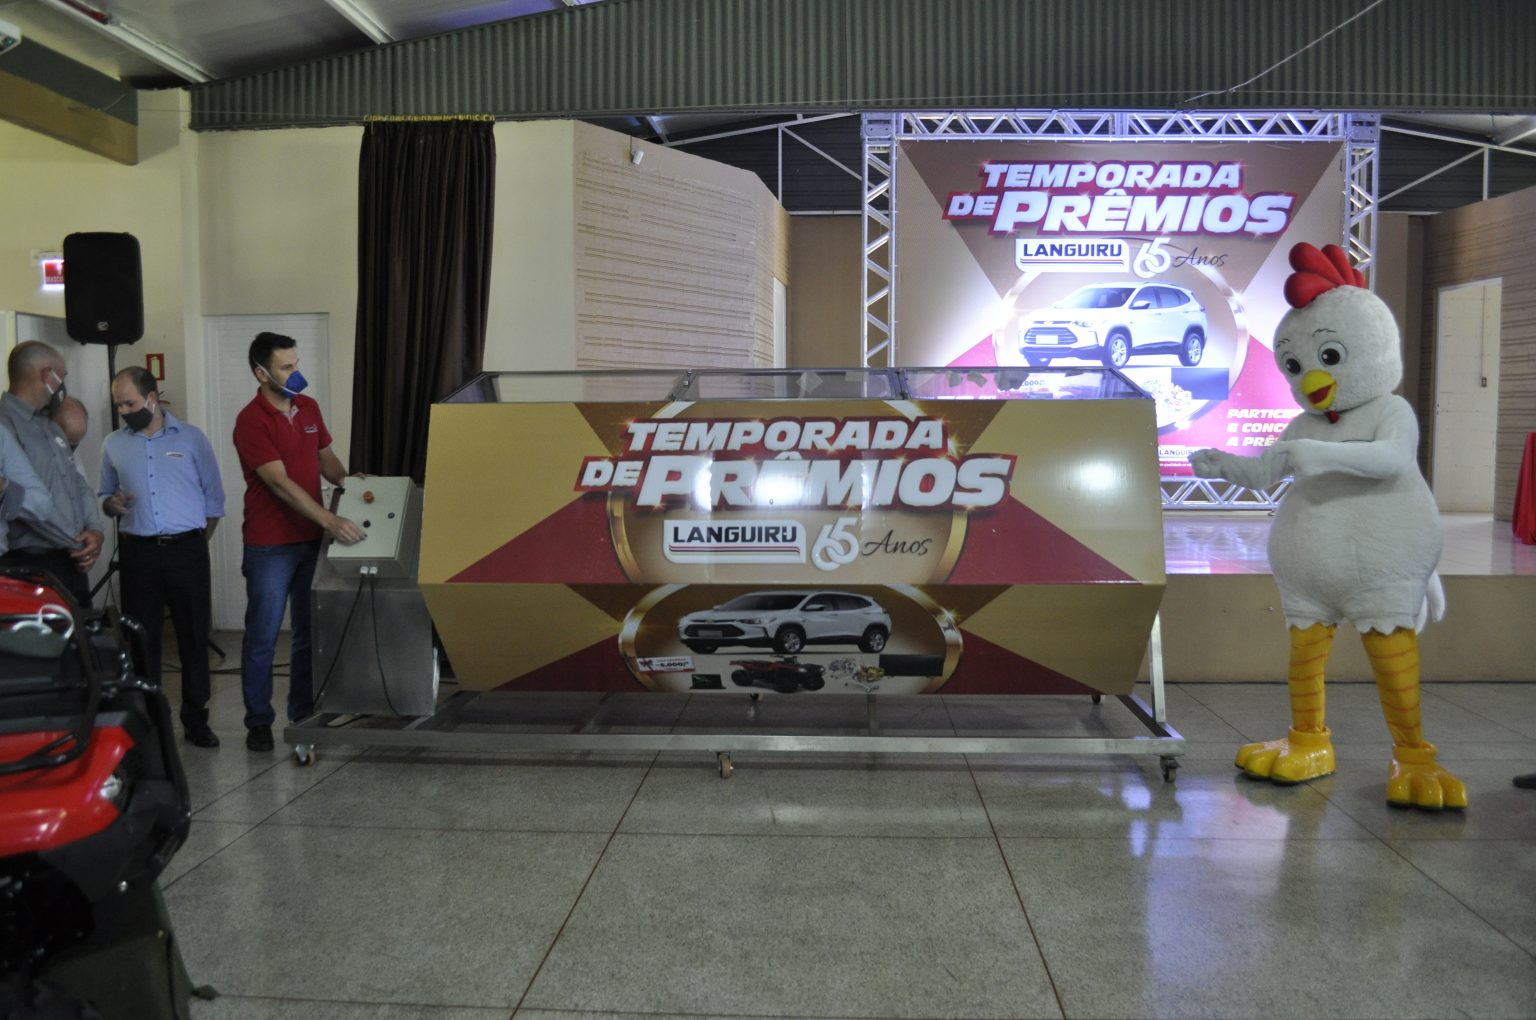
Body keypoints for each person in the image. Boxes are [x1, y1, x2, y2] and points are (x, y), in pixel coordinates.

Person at [232, 332, 363, 752]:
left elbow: (326, 459)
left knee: (309, 632)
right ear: (261, 373)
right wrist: (330, 520)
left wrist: (349, 482)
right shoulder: (250, 421)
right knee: (264, 635)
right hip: (270, 546)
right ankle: (259, 721)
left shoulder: (308, 407)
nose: (295, 373)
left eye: (296, 364)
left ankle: (303, 713)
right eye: (286, 367)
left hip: (309, 542)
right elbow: (280, 483)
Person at [100, 367, 225, 749]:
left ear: (152, 399)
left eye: (130, 403)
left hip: (187, 550)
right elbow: (104, 495)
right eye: (119, 405)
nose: (124, 411)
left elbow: (214, 500)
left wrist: (194, 541)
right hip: (138, 553)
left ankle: (196, 718)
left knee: (193, 636)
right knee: (142, 639)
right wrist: (111, 504)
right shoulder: (113, 444)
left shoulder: (191, 438)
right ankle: (151, 722)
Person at [0, 342, 104, 606]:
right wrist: (76, 542)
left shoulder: (50, 425)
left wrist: (95, 529)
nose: (62, 386)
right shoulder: (5, 425)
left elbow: (77, 483)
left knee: (82, 631)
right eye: (62, 377)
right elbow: (24, 502)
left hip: (70, 561)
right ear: (47, 375)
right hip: (32, 563)